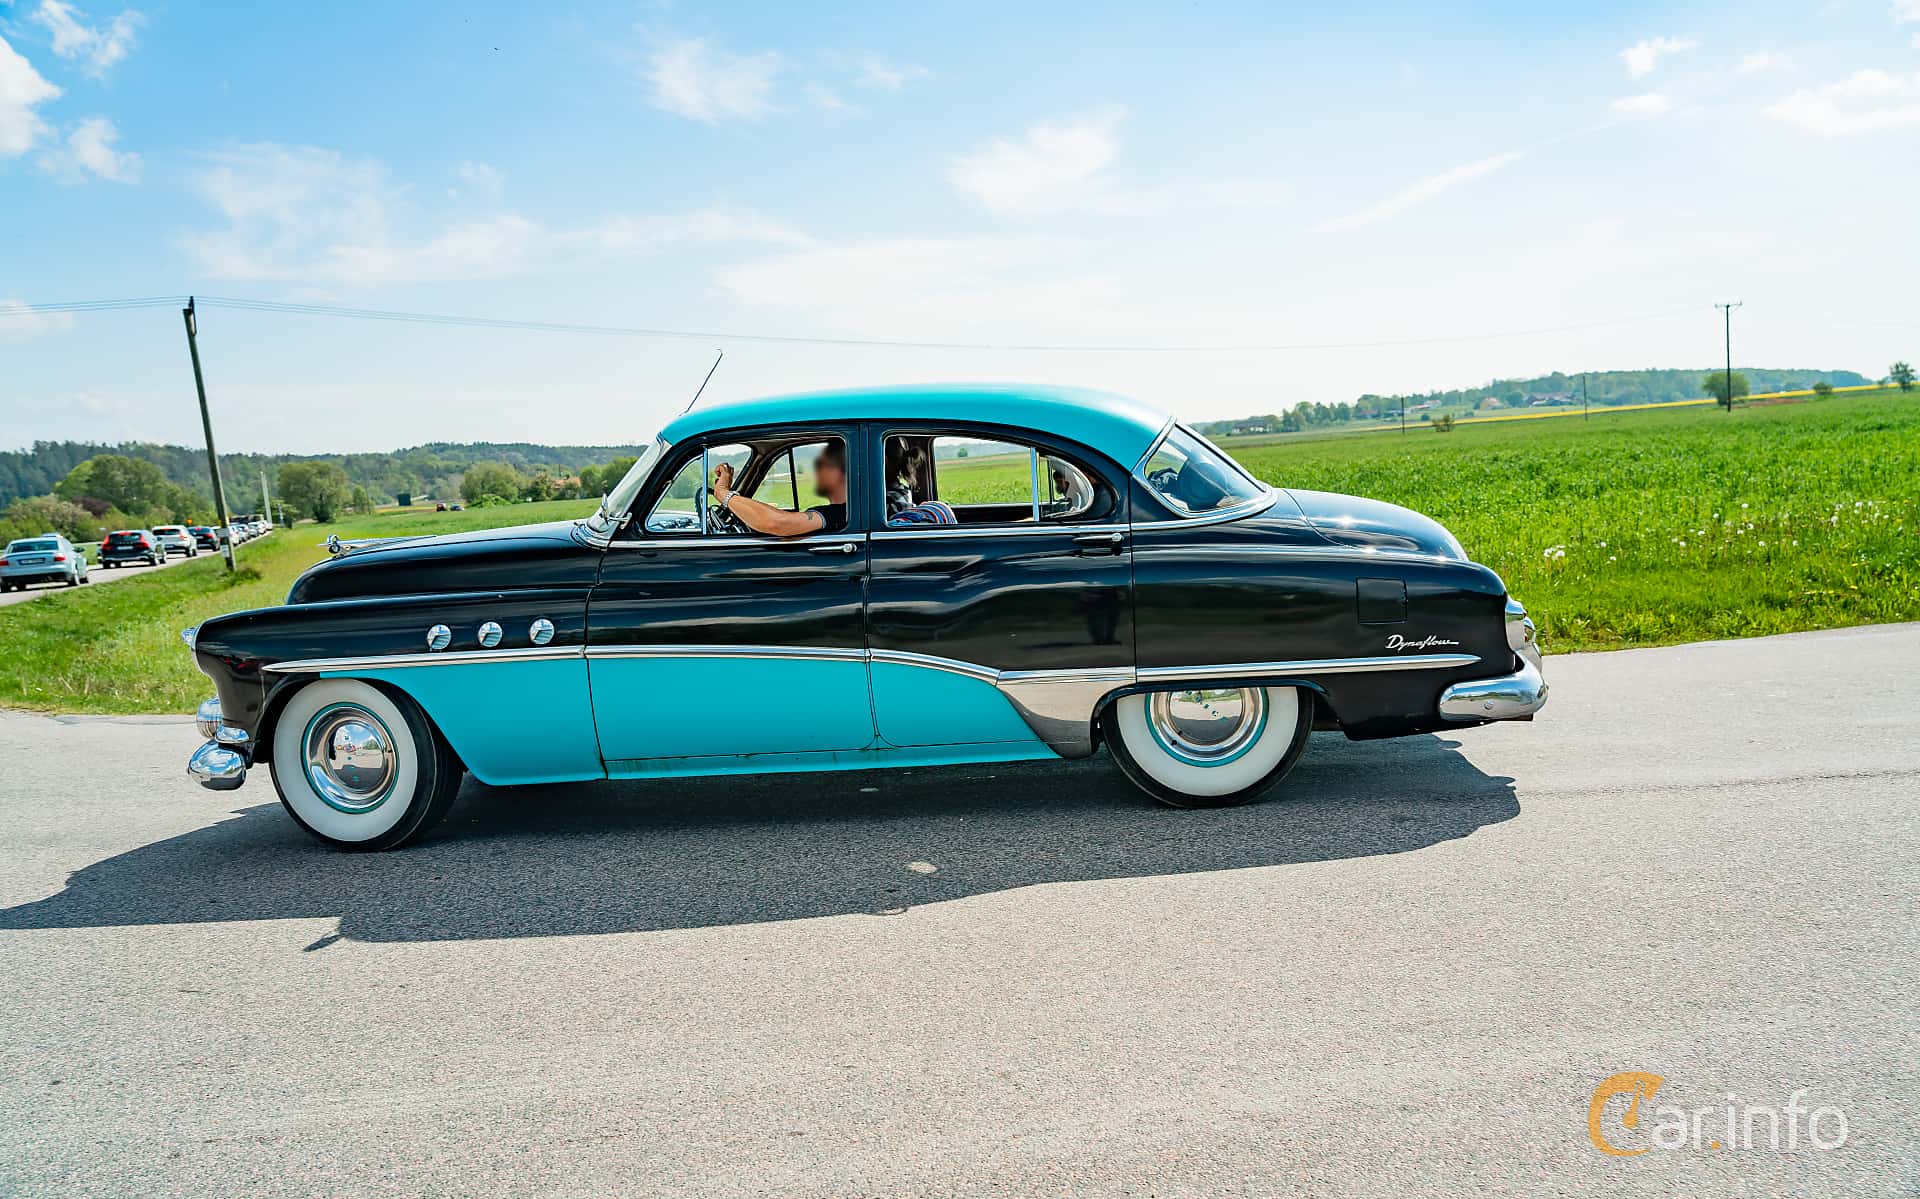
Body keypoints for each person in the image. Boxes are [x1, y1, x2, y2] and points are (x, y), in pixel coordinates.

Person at [711, 441, 848, 536]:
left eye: (820, 465)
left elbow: (778, 523)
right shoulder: (844, 513)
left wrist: (723, 493)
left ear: (837, 472)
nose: (816, 471)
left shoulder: (839, 514)